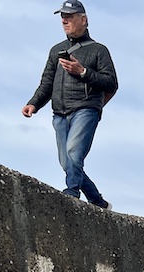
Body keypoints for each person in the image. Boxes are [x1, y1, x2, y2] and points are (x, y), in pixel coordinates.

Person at [22, 0, 118, 209]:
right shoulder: (56, 50)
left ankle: (71, 194)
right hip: (59, 112)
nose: (64, 21)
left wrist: (82, 72)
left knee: (75, 154)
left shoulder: (99, 50)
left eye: (69, 17)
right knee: (67, 163)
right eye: (62, 17)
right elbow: (47, 83)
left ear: (83, 20)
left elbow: (111, 82)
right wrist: (34, 104)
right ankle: (97, 201)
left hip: (86, 108)